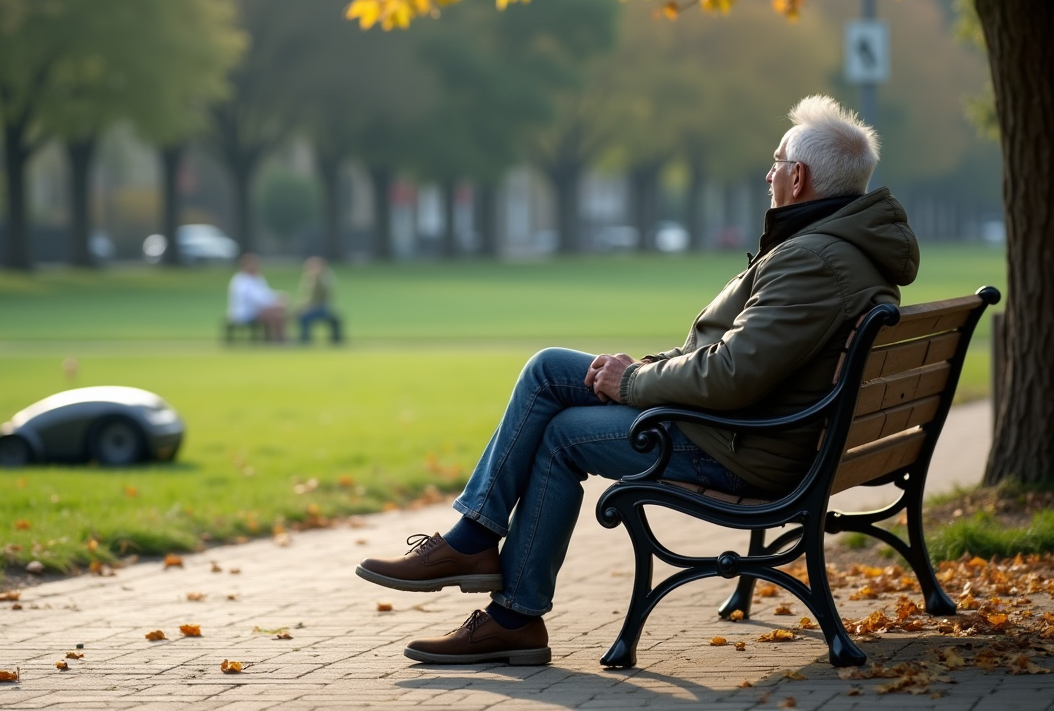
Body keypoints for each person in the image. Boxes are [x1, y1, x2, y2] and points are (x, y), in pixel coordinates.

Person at [355, 95, 919, 666]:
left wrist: (630, 384)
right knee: (549, 369)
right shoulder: (834, 249)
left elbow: (730, 375)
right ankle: (479, 551)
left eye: (776, 163)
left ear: (798, 178)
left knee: (560, 435)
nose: (767, 175)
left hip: (742, 447)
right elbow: (728, 358)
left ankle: (505, 603)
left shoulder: (812, 260)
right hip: (753, 430)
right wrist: (641, 369)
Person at [226, 253, 286, 342]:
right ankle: (277, 339)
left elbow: (265, 293)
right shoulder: (241, 280)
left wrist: (278, 296)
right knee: (274, 315)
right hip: (244, 312)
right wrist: (273, 304)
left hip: (256, 309)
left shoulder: (257, 278)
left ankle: (280, 338)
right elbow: (254, 299)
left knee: (279, 313)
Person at [295, 256, 342, 344]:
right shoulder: (309, 277)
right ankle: (304, 338)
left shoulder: (324, 278)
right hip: (313, 306)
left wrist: (302, 306)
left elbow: (319, 296)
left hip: (321, 307)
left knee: (304, 317)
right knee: (300, 316)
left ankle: (305, 339)